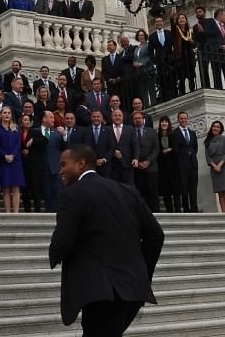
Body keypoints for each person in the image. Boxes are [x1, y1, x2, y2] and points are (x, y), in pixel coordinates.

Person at [49, 144, 164, 337]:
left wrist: (55, 252)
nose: (60, 170)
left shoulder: (72, 194)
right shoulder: (128, 191)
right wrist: (141, 272)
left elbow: (62, 241)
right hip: (131, 289)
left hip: (99, 293)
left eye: (63, 164)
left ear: (81, 164)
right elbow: (156, 236)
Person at [0, 106, 24, 213]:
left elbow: (18, 143)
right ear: (0, 115)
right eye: (4, 113)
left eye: (9, 113)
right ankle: (7, 212)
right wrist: (4, 155)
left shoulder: (15, 127)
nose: (7, 115)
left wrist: (13, 155)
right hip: (3, 160)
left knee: (16, 187)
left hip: (15, 160)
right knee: (5, 187)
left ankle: (15, 212)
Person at [132, 111, 160, 213]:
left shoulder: (152, 131)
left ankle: (156, 214)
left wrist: (148, 161)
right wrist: (138, 162)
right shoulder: (131, 132)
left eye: (139, 118)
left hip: (151, 167)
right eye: (135, 118)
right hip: (137, 168)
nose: (137, 120)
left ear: (143, 119)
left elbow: (156, 148)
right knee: (141, 193)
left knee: (153, 193)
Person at [171, 112, 199, 213]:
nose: (183, 120)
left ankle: (194, 208)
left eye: (185, 118)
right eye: (181, 118)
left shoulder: (192, 133)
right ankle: (186, 208)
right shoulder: (174, 133)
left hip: (192, 163)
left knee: (193, 187)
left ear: (188, 119)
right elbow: (175, 149)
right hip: (181, 164)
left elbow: (195, 148)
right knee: (183, 187)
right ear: (178, 120)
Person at [20, 112, 48, 212]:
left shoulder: (35, 132)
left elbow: (45, 140)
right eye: (25, 120)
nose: (27, 122)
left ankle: (38, 210)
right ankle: (27, 210)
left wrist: (33, 139)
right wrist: (21, 151)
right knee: (25, 189)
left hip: (35, 165)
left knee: (35, 188)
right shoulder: (18, 133)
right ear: (21, 122)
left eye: (29, 120)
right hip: (23, 164)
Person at [204, 120, 225, 213]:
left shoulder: (224, 139)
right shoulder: (208, 141)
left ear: (220, 129)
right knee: (220, 192)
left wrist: (220, 165)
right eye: (214, 126)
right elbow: (207, 156)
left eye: (217, 127)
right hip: (214, 169)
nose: (215, 128)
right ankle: (224, 213)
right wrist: (214, 166)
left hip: (224, 167)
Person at [42, 111, 66, 212]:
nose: (53, 120)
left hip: (55, 167)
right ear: (44, 119)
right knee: (46, 193)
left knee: (57, 192)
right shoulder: (35, 131)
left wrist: (64, 136)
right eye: (51, 117)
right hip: (41, 168)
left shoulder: (57, 133)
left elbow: (66, 148)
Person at [156, 116, 179, 213]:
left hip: (173, 166)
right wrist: (164, 151)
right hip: (162, 167)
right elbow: (157, 151)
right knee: (165, 190)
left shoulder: (173, 135)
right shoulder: (157, 136)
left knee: (176, 189)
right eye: (162, 122)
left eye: (166, 121)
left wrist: (170, 149)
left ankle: (178, 209)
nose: (164, 123)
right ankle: (169, 210)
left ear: (169, 123)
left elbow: (176, 149)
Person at [172, 13, 197, 96]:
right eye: (179, 19)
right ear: (177, 21)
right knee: (182, 75)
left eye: (183, 18)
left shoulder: (190, 32)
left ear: (186, 20)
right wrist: (173, 17)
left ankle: (192, 91)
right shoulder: (176, 31)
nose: (181, 20)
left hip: (189, 56)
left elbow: (194, 45)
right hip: (181, 56)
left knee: (191, 75)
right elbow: (172, 25)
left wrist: (191, 41)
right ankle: (182, 92)